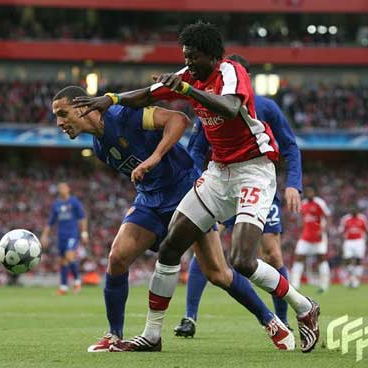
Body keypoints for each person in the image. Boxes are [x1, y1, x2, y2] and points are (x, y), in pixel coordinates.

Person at [74, 21, 319, 353]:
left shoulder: (230, 72)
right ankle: (152, 335)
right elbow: (147, 95)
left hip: (254, 170)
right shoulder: (191, 75)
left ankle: (304, 307)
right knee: (171, 245)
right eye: (184, 57)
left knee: (242, 261)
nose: (187, 64)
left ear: (211, 55)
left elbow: (231, 107)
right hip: (219, 173)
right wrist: (110, 98)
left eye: (192, 57)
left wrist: (186, 90)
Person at [53, 85, 294, 353]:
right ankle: (114, 335)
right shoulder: (99, 147)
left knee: (218, 273)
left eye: (63, 114)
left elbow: (178, 120)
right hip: (150, 200)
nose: (59, 123)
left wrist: (154, 158)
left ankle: (270, 321)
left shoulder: (123, 115)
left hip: (186, 193)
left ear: (82, 106)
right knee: (117, 258)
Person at [174, 54, 302, 338]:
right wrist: (197, 177)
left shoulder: (266, 107)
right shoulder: (208, 105)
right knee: (206, 245)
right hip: (221, 183)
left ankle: (282, 320)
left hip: (256, 185)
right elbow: (195, 148)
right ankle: (189, 317)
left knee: (271, 253)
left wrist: (293, 183)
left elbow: (290, 146)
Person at [41, 182, 89, 295]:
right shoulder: (56, 205)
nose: (62, 189)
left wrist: (84, 233)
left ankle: (77, 282)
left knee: (69, 255)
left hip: (72, 234)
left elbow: (82, 218)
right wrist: (44, 235)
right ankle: (63, 288)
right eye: (60, 188)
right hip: (61, 235)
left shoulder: (74, 202)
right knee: (63, 261)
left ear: (68, 189)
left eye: (63, 187)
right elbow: (50, 222)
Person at [291, 187, 331, 293]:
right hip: (305, 236)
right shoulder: (303, 203)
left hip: (319, 237)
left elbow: (328, 216)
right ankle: (295, 285)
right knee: (298, 257)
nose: (309, 193)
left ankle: (324, 286)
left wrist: (323, 230)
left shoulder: (319, 203)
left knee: (321, 258)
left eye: (311, 192)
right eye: (307, 192)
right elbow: (301, 218)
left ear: (314, 193)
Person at [338, 207, 368, 288]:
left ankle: (355, 280)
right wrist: (341, 241)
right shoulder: (345, 219)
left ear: (358, 211)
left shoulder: (363, 218)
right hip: (348, 241)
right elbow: (341, 231)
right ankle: (352, 278)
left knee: (358, 260)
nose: (354, 211)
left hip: (359, 241)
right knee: (347, 260)